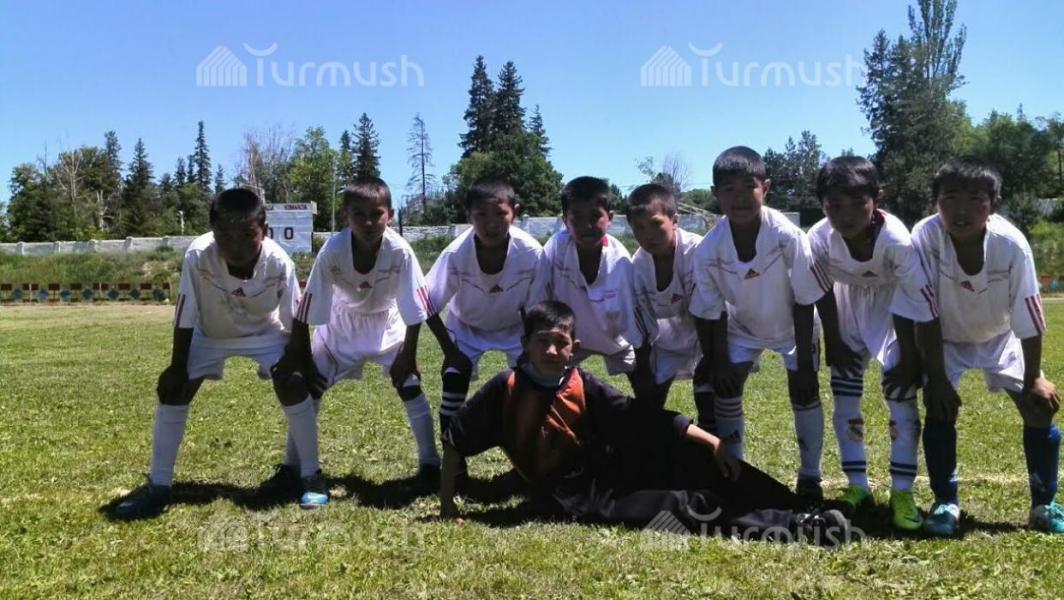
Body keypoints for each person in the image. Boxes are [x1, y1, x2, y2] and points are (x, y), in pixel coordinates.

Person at [439, 301, 853, 546]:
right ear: (525, 345)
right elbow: (456, 439)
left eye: (560, 342)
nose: (550, 350)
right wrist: (447, 507)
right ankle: (799, 529)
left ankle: (797, 506)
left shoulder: (582, 383)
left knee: (698, 459)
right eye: (541, 341)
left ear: (574, 348)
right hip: (575, 498)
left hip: (608, 470)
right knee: (679, 508)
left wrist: (711, 442)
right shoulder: (506, 387)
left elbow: (642, 419)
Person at [114, 187, 324, 518]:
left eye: (247, 236)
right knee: (174, 390)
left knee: (293, 383)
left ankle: (311, 475)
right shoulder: (198, 256)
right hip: (210, 335)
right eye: (225, 236)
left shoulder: (278, 262)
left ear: (264, 230)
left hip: (264, 333)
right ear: (212, 230)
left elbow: (295, 320)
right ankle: (158, 485)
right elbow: (185, 313)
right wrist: (177, 366)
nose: (236, 247)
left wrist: (303, 366)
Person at [912, 158, 1063, 536]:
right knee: (939, 408)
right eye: (950, 198)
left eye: (974, 199)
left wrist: (1034, 378)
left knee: (1039, 408)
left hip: (1000, 336)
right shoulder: (924, 238)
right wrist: (936, 376)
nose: (960, 210)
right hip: (946, 338)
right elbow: (924, 311)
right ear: (935, 202)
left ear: (994, 204)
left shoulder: (1011, 245)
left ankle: (1044, 504)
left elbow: (1029, 312)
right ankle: (945, 503)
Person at [277, 177, 440, 495]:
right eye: (358, 215)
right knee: (311, 388)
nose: (368, 222)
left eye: (376, 214)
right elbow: (306, 307)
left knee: (410, 385)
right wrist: (305, 359)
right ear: (346, 216)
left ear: (390, 215)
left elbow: (415, 307)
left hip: (386, 324)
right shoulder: (333, 250)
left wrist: (408, 354)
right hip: (342, 325)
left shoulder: (400, 251)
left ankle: (431, 464)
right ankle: (291, 466)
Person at [689, 146, 829, 504]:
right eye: (729, 189)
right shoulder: (709, 249)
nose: (739, 198)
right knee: (725, 387)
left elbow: (805, 299)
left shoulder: (786, 236)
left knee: (804, 391)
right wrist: (719, 359)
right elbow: (712, 310)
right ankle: (735, 472)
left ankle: (810, 477)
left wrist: (804, 364)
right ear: (716, 194)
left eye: (748, 187)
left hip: (795, 327)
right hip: (743, 329)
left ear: (765, 188)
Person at [808, 156, 940, 530]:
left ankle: (902, 491)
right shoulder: (818, 237)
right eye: (834, 205)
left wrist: (911, 356)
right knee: (844, 392)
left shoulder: (897, 240)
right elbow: (822, 290)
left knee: (901, 393)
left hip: (894, 306)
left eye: (857, 203)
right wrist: (834, 339)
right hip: (845, 303)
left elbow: (917, 301)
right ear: (822, 204)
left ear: (877, 199)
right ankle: (857, 485)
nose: (845, 215)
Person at [423, 178, 547, 480]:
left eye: (500, 214)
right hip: (466, 327)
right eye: (481, 215)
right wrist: (450, 351)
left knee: (532, 389)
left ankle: (526, 465)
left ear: (515, 213)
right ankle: (455, 467)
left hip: (515, 328)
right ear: (469, 216)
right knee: (453, 383)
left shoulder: (531, 252)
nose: (491, 224)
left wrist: (530, 348)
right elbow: (427, 302)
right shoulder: (456, 254)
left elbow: (538, 307)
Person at [542, 176, 652, 400]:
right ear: (565, 220)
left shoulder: (620, 260)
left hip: (614, 336)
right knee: (542, 382)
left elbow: (633, 318)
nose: (587, 225)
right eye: (577, 217)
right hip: (569, 336)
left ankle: (648, 417)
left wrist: (645, 364)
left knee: (647, 386)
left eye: (595, 216)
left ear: (609, 218)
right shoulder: (555, 248)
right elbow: (540, 297)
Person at [627, 183, 714, 425]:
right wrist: (644, 369)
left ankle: (714, 437)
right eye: (639, 228)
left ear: (674, 220)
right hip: (666, 333)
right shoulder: (638, 266)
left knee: (708, 390)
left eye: (656, 224)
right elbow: (641, 324)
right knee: (650, 397)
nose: (648, 235)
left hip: (708, 329)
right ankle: (659, 438)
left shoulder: (698, 251)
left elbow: (709, 310)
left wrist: (711, 357)